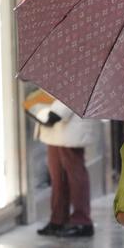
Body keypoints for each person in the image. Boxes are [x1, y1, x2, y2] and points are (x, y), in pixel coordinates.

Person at [35, 99, 98, 238]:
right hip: (56, 124)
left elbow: (76, 92)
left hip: (70, 123)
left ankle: (82, 221)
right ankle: (58, 219)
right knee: (57, 176)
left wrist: (57, 112)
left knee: (75, 175)